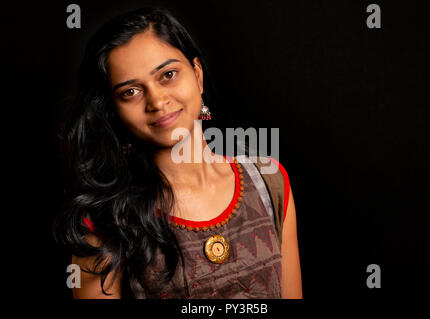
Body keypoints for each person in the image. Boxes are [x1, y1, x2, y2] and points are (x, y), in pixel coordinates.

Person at [53, 7, 302, 299]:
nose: (157, 101)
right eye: (130, 92)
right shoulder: (105, 220)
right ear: (113, 111)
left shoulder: (267, 181)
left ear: (197, 76)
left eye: (168, 74)